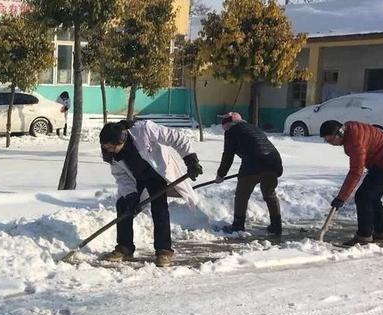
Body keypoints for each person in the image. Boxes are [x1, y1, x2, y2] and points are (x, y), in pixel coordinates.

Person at [100, 119, 203, 267]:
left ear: (121, 140)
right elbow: (121, 176)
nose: (108, 150)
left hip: (157, 172)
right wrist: (131, 196)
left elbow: (177, 137)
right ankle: (124, 247)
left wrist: (191, 160)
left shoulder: (144, 130)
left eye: (111, 147)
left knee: (159, 207)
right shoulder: (112, 155)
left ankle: (164, 251)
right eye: (106, 147)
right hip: (135, 178)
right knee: (123, 206)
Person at [320, 120, 383, 246]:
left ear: (340, 133)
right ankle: (381, 233)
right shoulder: (350, 130)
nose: (330, 143)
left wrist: (341, 198)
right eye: (327, 141)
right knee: (372, 197)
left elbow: (355, 172)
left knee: (363, 196)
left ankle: (364, 236)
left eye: (331, 140)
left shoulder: (355, 143)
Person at [215, 112, 283, 235]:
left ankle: (238, 226)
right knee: (270, 194)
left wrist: (221, 174)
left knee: (242, 195)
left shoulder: (231, 132)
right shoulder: (254, 128)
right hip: (274, 162)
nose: (223, 128)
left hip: (253, 164)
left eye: (223, 125)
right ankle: (277, 226)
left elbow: (228, 156)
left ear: (228, 124)